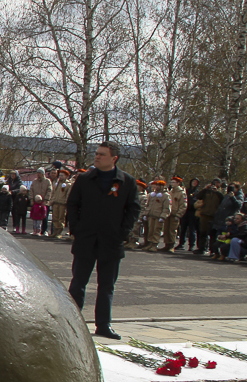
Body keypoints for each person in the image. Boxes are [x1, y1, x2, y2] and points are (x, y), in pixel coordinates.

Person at [66, 141, 141, 340]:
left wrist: (122, 233)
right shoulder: (85, 179)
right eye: (96, 153)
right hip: (86, 239)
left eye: (102, 154)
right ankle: (72, 322)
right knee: (78, 283)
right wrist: (76, 229)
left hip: (111, 241)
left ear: (114, 158)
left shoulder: (126, 181)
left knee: (106, 285)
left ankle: (103, 324)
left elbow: (133, 209)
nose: (97, 157)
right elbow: (72, 204)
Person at [140, 179, 170, 252]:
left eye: (159, 185)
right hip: (151, 215)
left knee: (156, 231)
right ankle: (150, 243)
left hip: (158, 216)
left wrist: (163, 216)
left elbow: (167, 207)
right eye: (157, 185)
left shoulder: (166, 196)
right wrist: (146, 214)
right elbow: (148, 205)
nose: (157, 187)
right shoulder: (152, 195)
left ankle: (154, 245)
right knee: (150, 231)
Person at [51, 168, 73, 239]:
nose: (60, 177)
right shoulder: (57, 183)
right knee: (55, 218)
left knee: (61, 218)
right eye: (60, 175)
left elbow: (68, 194)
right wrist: (52, 200)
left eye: (62, 175)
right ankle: (55, 231)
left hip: (62, 203)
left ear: (66, 176)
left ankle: (59, 232)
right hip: (55, 202)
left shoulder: (68, 184)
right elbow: (54, 192)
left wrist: (66, 202)